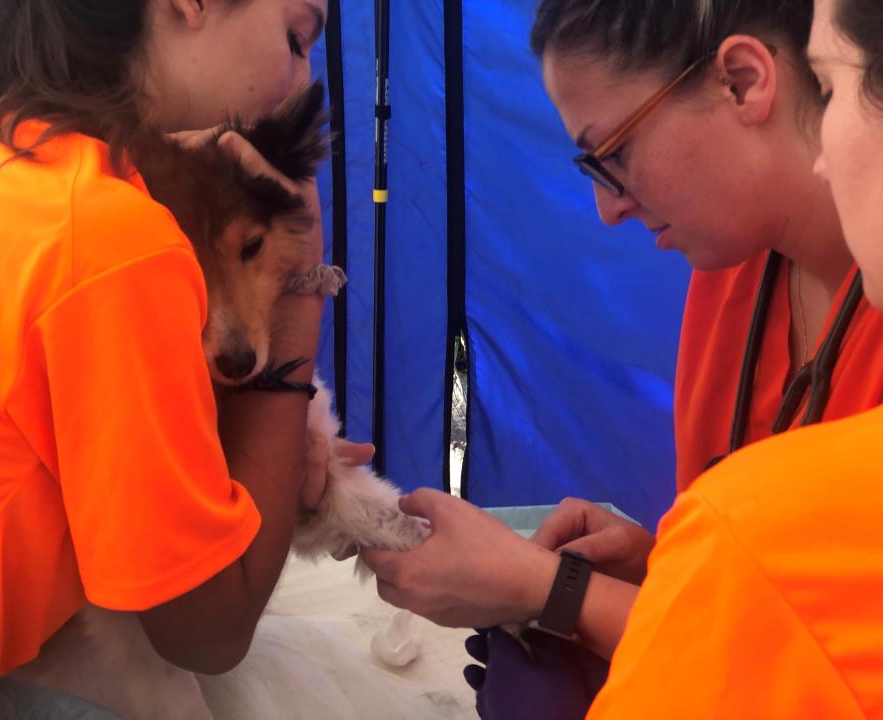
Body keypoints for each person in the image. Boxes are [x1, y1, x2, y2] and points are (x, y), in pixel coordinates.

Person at [375, 0, 883, 715]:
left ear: (742, 81)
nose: (607, 209)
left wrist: (550, 591)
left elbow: (811, 660)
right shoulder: (727, 283)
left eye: (611, 155)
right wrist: (668, 566)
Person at [0, 0, 372, 713]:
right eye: (296, 37)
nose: (299, 83)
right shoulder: (109, 236)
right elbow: (208, 631)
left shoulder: (5, 158)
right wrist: (298, 284)